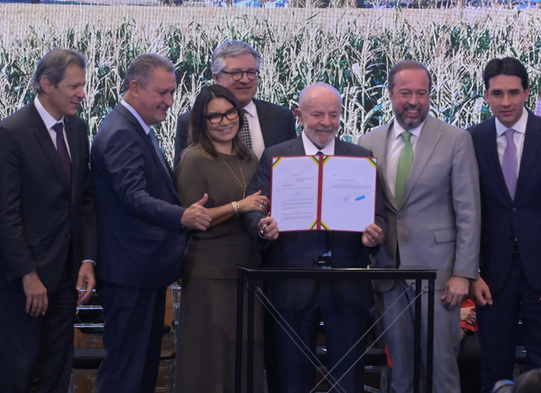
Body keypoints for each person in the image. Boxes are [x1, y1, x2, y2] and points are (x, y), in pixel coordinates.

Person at [244, 82, 388, 393]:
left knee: (348, 379)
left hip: (347, 282)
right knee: (291, 376)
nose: (326, 122)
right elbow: (253, 210)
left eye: (333, 115)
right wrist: (262, 227)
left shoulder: (360, 157)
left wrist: (375, 234)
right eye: (317, 114)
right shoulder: (275, 156)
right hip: (291, 282)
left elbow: (379, 215)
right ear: (299, 115)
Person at [90, 53, 211, 393]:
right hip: (130, 273)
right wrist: (182, 215)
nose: (170, 102)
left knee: (140, 371)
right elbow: (133, 197)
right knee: (126, 373)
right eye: (162, 93)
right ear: (134, 88)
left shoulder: (134, 128)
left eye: (172, 93)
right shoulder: (121, 133)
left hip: (142, 271)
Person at [358, 60, 481, 393]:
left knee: (442, 373)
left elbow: (469, 211)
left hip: (440, 280)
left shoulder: (456, 140)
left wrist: (463, 274)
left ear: (430, 95)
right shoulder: (368, 142)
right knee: (401, 375)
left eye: (422, 93)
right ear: (390, 95)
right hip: (388, 276)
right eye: (405, 93)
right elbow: (363, 209)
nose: (414, 100)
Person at [0, 48, 97, 392]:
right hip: (24, 284)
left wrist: (86, 259)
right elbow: (5, 214)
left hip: (67, 278)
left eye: (82, 85)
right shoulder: (11, 133)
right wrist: (28, 274)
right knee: (21, 371)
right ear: (46, 84)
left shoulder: (79, 129)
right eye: (74, 87)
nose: (82, 94)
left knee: (57, 371)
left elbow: (84, 200)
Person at [174, 84, 269, 392]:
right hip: (208, 272)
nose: (225, 120)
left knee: (243, 359)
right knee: (208, 361)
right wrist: (238, 206)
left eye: (230, 113)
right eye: (214, 116)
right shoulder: (194, 159)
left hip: (247, 270)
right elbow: (190, 220)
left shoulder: (251, 158)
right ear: (201, 121)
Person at [468, 57, 541, 393]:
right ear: (485, 96)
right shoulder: (471, 140)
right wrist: (472, 272)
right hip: (491, 275)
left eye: (514, 92)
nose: (506, 102)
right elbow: (465, 210)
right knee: (495, 367)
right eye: (497, 94)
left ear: (527, 92)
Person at [173, 40, 296, 167]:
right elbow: (183, 176)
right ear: (216, 77)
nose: (245, 79)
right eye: (236, 73)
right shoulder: (190, 120)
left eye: (251, 72)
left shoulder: (282, 117)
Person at [458, 299, 483, 393]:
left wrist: (463, 326)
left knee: (476, 355)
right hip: (436, 321)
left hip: (471, 322)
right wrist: (455, 314)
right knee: (451, 356)